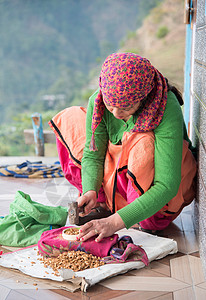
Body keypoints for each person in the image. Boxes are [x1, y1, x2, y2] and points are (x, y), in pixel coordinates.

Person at [49, 52, 197, 243]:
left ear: (143, 98)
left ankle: (131, 214)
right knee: (70, 119)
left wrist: (114, 223)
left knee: (141, 142)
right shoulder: (100, 100)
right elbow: (93, 155)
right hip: (121, 178)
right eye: (111, 106)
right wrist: (90, 189)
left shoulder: (166, 108)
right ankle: (103, 202)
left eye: (126, 108)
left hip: (160, 199)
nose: (117, 114)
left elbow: (167, 186)